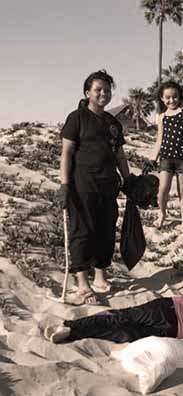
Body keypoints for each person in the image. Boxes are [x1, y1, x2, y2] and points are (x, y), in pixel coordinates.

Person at [43, 271, 183, 358]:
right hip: (171, 309)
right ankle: (69, 326)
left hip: (172, 331)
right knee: (123, 317)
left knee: (125, 334)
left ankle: (75, 334)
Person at [58, 69, 130, 305]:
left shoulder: (113, 123)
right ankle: (82, 284)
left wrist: (128, 180)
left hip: (108, 186)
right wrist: (64, 185)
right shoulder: (76, 118)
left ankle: (100, 277)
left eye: (107, 89)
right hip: (82, 185)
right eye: (98, 89)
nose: (103, 93)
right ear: (87, 92)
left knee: (106, 232)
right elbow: (67, 153)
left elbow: (120, 156)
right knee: (83, 232)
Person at [146, 81, 183, 239]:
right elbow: (159, 140)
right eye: (167, 97)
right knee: (162, 190)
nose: (171, 100)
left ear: (180, 97)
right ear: (161, 98)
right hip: (166, 157)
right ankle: (162, 214)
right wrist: (153, 159)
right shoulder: (161, 117)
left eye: (174, 97)